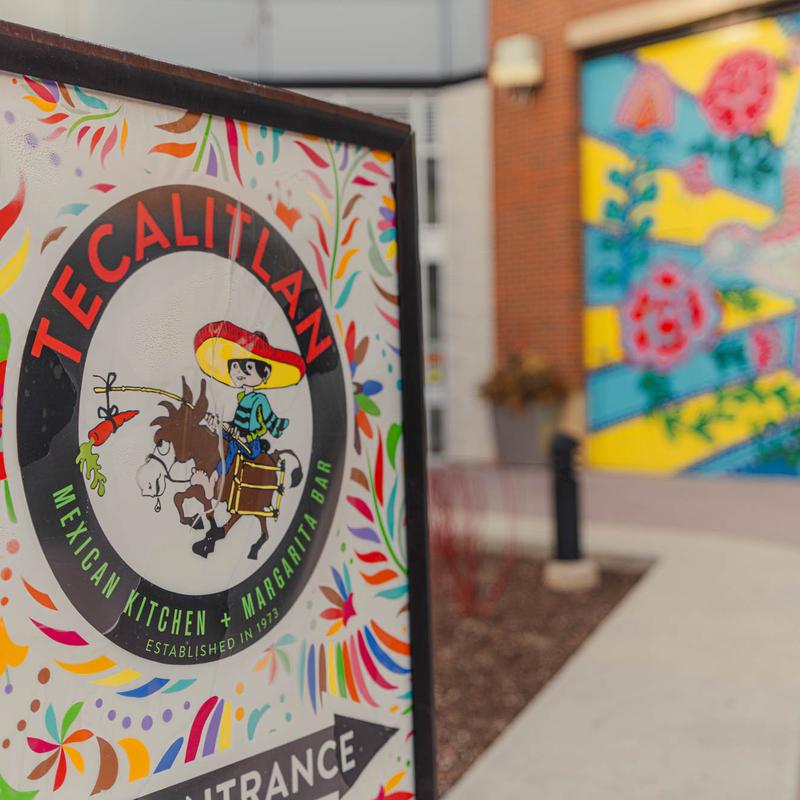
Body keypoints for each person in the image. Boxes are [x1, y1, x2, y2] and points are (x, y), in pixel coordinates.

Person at [193, 321, 306, 481]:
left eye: (247, 367)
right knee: (212, 434)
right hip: (237, 435)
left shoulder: (260, 400)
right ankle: (201, 467)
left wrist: (247, 437)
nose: (238, 372)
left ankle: (215, 478)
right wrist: (218, 424)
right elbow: (236, 424)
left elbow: (263, 428)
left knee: (232, 447)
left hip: (251, 443)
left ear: (264, 373)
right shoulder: (241, 398)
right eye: (235, 366)